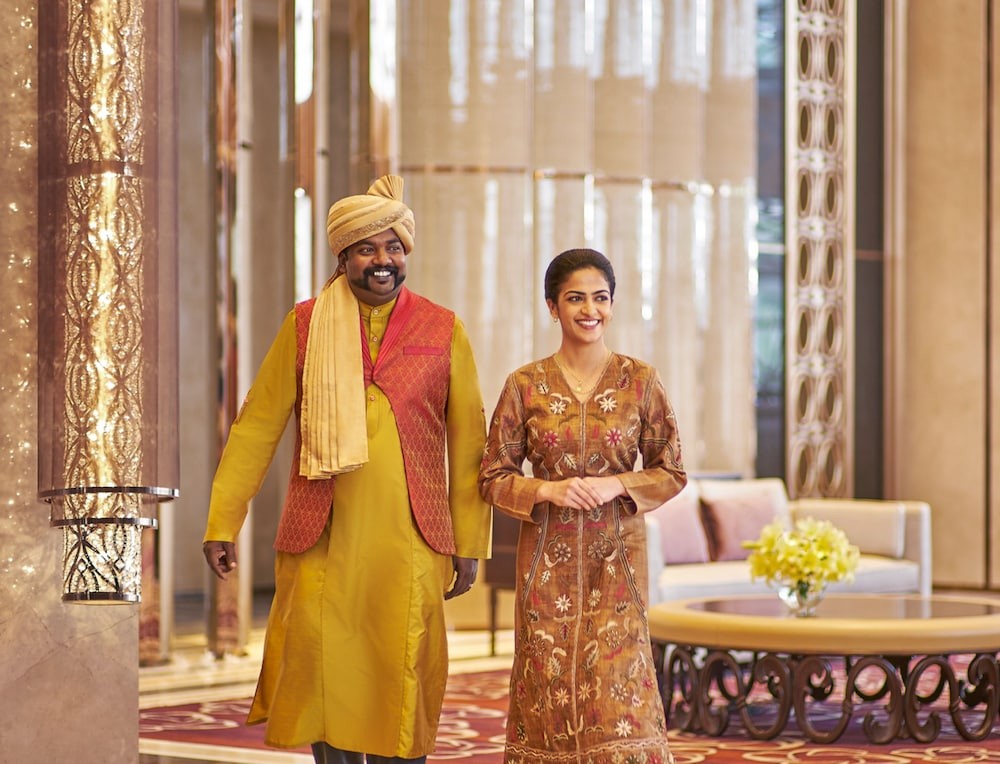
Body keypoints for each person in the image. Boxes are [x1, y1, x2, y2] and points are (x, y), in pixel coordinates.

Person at [202, 174, 492, 764]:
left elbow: (469, 441)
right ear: (343, 257)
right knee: (321, 671)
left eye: (393, 247)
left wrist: (468, 542)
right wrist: (222, 521)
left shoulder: (443, 328)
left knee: (401, 672)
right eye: (366, 249)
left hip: (410, 540)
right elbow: (256, 426)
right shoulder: (306, 325)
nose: (382, 261)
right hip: (322, 536)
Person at [478, 248, 686, 764]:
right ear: (553, 307)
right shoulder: (524, 386)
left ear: (612, 305)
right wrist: (544, 490)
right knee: (547, 685)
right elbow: (492, 476)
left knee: (618, 687)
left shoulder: (640, 381)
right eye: (576, 299)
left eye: (600, 298)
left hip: (617, 562)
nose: (590, 310)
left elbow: (671, 471)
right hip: (545, 566)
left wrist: (618, 484)